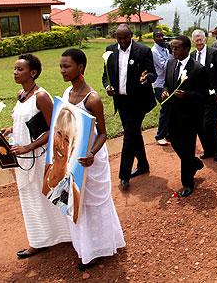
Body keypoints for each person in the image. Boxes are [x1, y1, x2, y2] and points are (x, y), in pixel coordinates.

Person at [60, 48, 125, 270]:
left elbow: (104, 134)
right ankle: (84, 245)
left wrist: (91, 154)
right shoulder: (66, 93)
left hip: (92, 161)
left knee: (95, 204)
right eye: (61, 66)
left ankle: (99, 248)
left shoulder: (93, 99)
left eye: (67, 66)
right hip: (72, 159)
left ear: (81, 68)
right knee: (76, 202)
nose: (63, 70)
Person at [2, 54, 70, 258]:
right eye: (14, 69)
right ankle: (40, 239)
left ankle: (67, 234)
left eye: (20, 69)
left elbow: (54, 128)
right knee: (30, 199)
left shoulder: (41, 96)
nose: (15, 72)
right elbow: (25, 122)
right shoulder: (21, 94)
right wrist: (10, 130)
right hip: (23, 158)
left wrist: (29, 147)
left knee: (50, 196)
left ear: (32, 72)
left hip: (39, 157)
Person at [102, 24, 157, 190]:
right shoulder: (110, 50)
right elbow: (106, 76)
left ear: (131, 35)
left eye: (125, 38)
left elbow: (153, 74)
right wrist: (108, 87)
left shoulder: (143, 51)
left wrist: (146, 79)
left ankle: (124, 175)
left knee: (129, 135)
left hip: (139, 102)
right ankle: (143, 165)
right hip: (121, 102)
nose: (122, 41)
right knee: (134, 134)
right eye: (119, 38)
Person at [162, 36, 208, 197]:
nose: (173, 51)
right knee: (174, 141)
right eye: (172, 48)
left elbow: (204, 95)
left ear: (187, 49)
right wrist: (165, 91)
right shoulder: (170, 63)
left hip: (190, 117)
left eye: (176, 48)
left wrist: (187, 95)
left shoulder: (198, 69)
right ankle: (194, 163)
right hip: (172, 115)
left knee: (188, 148)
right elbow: (167, 83)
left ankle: (188, 183)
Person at [42, 106, 81, 223]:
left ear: (72, 149)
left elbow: (75, 223)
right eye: (59, 134)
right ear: (53, 133)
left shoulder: (72, 190)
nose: (61, 145)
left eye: (67, 140)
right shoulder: (46, 169)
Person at [191, 29, 217, 161]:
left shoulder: (215, 54)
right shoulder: (192, 56)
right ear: (193, 41)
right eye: (196, 39)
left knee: (210, 124)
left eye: (201, 39)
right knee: (200, 125)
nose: (199, 41)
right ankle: (208, 150)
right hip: (197, 97)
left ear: (205, 39)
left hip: (213, 96)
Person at [151, 29, 172, 146]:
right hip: (159, 85)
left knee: (170, 108)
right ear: (154, 38)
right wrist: (170, 53)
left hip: (168, 83)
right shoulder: (154, 51)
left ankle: (168, 133)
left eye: (162, 36)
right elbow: (165, 67)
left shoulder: (165, 48)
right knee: (165, 108)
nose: (161, 38)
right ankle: (160, 135)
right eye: (158, 36)